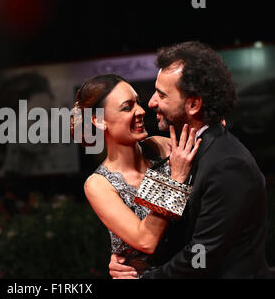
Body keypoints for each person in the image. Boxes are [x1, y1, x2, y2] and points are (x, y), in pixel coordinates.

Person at [109, 41, 270, 278]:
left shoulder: (228, 164)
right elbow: (154, 234)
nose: (150, 103)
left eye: (162, 94)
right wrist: (130, 259)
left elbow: (200, 258)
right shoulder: (182, 152)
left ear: (193, 104)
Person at [72, 74, 201, 277]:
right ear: (99, 121)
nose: (140, 111)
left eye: (137, 103)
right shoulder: (98, 184)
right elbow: (146, 240)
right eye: (127, 107)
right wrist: (174, 180)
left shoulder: (163, 146)